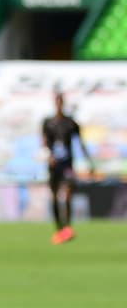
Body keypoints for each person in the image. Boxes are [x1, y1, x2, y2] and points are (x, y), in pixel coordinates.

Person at [41, 91, 94, 244]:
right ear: (54, 103)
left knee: (68, 193)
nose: (59, 104)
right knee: (54, 196)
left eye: (60, 101)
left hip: (67, 165)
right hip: (54, 166)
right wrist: (48, 156)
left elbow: (80, 143)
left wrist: (89, 162)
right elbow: (44, 142)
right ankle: (59, 229)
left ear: (63, 103)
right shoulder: (48, 122)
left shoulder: (70, 123)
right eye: (57, 101)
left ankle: (67, 227)